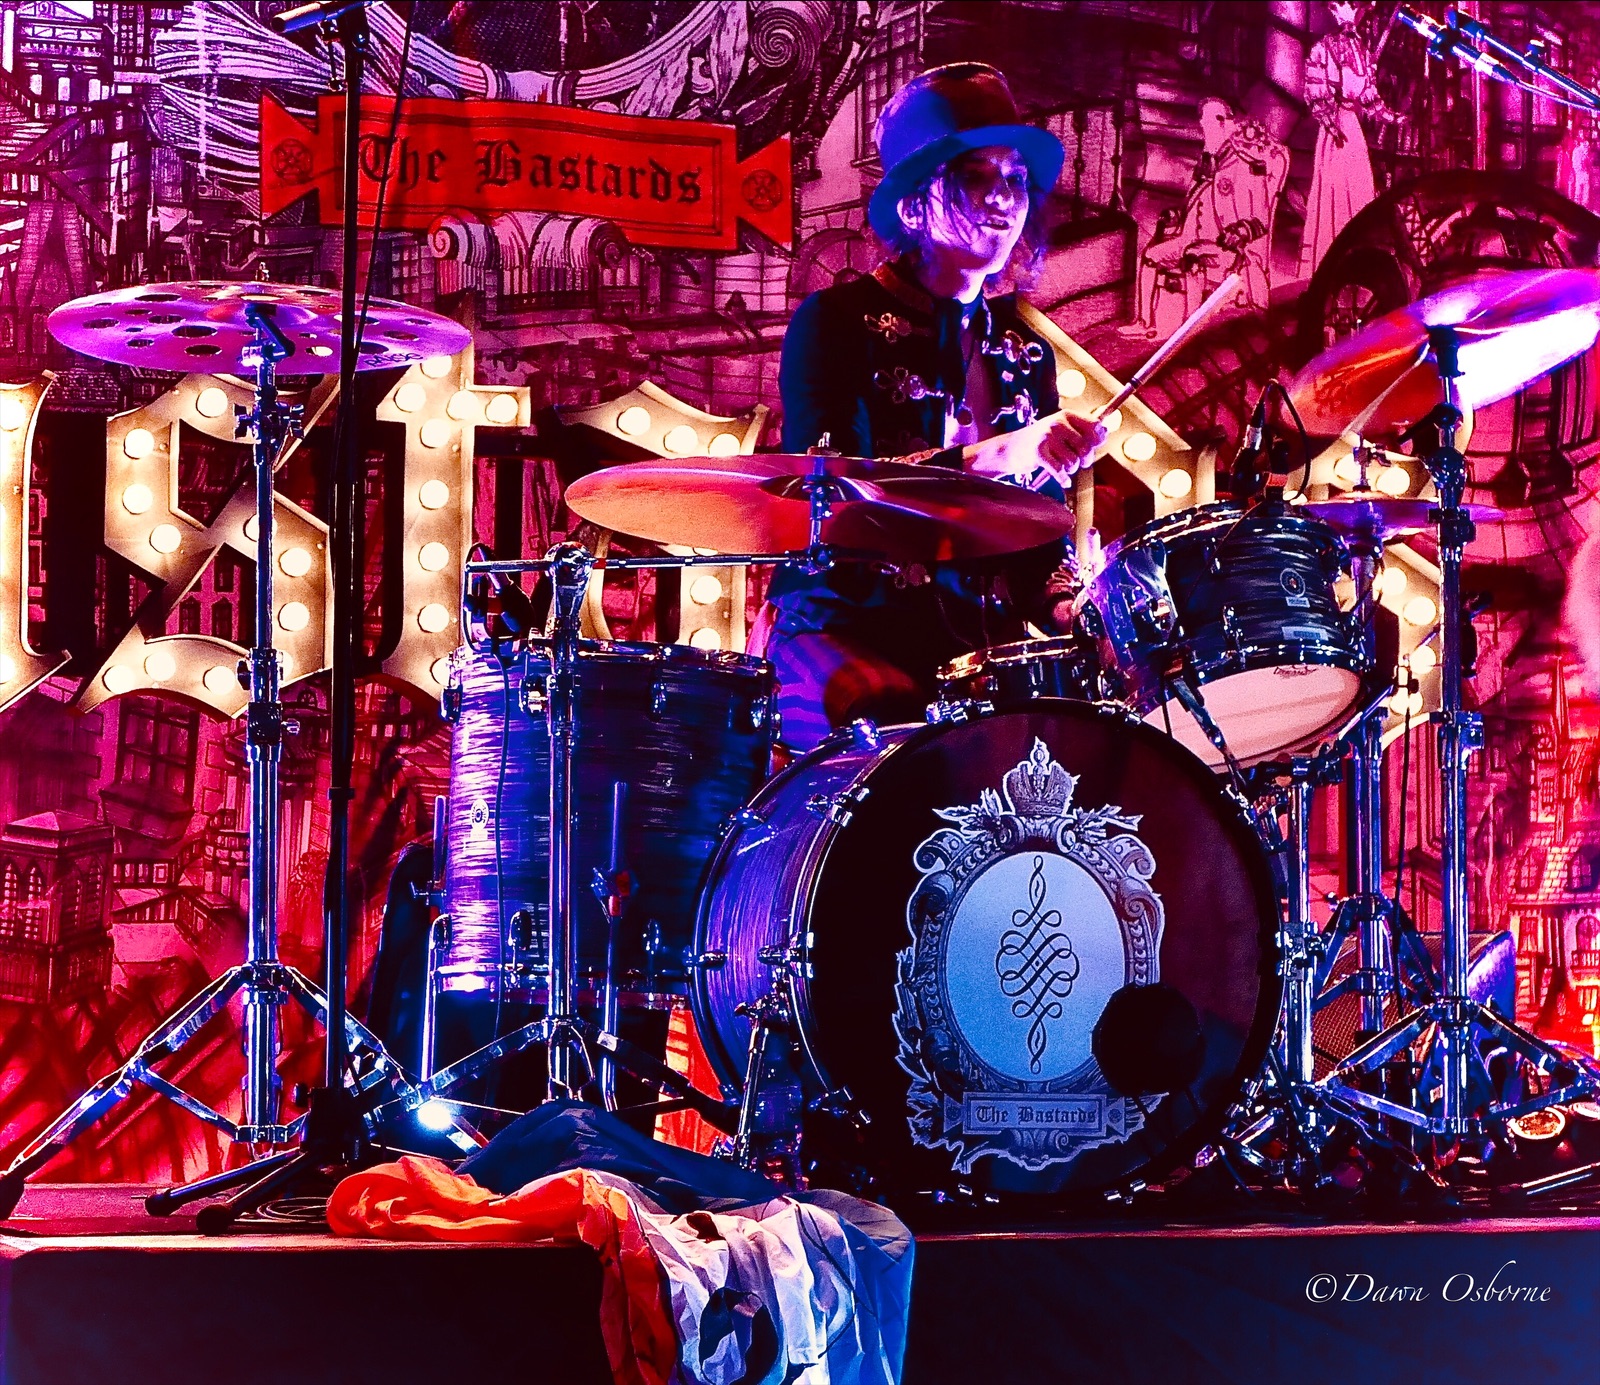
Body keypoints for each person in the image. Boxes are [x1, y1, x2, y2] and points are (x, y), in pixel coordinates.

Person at [758, 63, 1106, 750]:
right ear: (916, 200)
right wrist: (1007, 452)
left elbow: (1036, 539)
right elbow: (838, 498)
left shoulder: (1026, 353)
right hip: (844, 626)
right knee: (893, 714)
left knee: (1074, 726)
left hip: (971, 643)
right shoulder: (834, 322)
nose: (1005, 198)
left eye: (1016, 179)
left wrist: (1072, 605)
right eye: (977, 176)